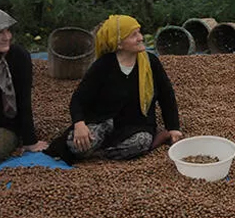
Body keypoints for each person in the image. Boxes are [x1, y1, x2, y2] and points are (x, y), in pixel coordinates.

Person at [46, 15, 183, 163]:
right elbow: (78, 99)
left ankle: (104, 153)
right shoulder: (103, 65)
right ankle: (106, 150)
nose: (140, 38)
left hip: (135, 124)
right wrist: (79, 124)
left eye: (139, 32)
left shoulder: (151, 63)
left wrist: (173, 127)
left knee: (139, 142)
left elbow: (166, 96)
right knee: (76, 146)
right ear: (119, 44)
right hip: (102, 121)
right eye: (134, 35)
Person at [0, 10, 48, 161]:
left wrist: (30, 141)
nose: (7, 37)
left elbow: (23, 101)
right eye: (0, 32)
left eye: (7, 31)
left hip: (5, 124)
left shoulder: (19, 57)